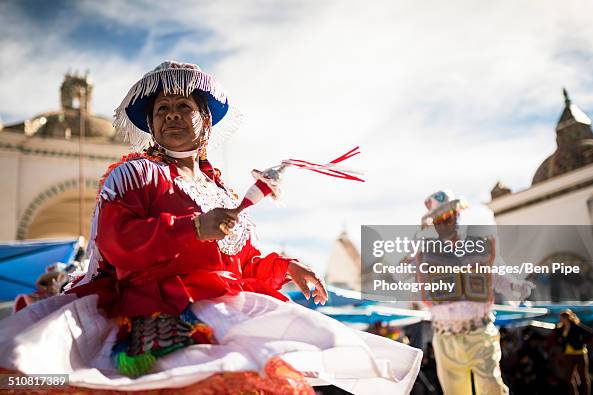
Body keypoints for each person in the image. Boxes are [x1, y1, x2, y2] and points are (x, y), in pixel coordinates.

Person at [0, 61, 421, 394]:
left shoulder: (219, 188)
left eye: (183, 107)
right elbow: (116, 243)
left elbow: (242, 260)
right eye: (161, 110)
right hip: (155, 307)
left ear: (205, 119)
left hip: (225, 307)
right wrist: (192, 228)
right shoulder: (134, 174)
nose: (171, 116)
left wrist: (285, 267)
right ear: (150, 124)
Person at [414, 190, 533, 395]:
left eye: (450, 215)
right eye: (440, 219)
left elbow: (495, 275)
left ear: (458, 214)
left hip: (479, 333)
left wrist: (515, 286)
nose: (446, 222)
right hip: (445, 337)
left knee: (491, 389)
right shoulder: (425, 255)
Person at [556, 309, 593, 395]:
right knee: (568, 377)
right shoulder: (561, 328)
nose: (560, 320)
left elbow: (590, 332)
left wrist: (582, 343)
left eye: (561, 318)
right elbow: (558, 339)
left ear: (566, 318)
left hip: (580, 353)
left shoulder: (576, 326)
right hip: (568, 354)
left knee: (583, 376)